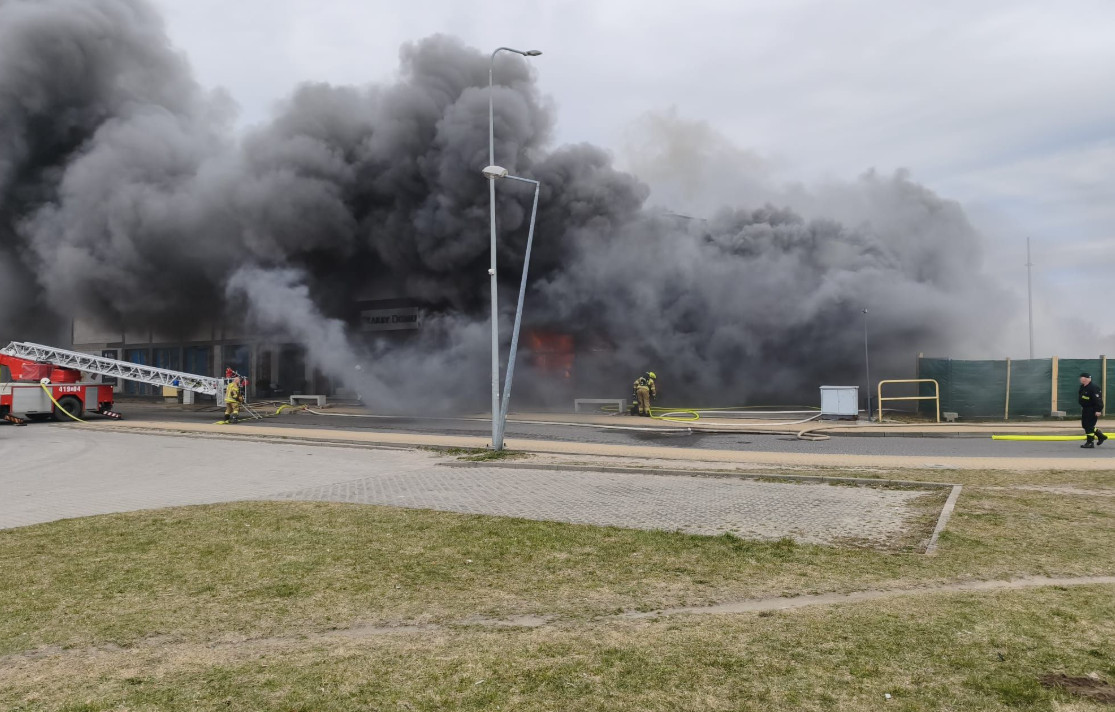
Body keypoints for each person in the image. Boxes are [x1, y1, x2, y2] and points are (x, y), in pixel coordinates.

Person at [1078, 372, 1106, 448]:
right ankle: (1101, 436)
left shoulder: (1093, 387)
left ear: (1086, 379)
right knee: (1085, 425)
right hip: (1085, 409)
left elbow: (1098, 400)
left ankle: (1090, 442)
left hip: (1092, 409)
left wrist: (1098, 410)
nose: (1080, 379)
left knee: (1089, 426)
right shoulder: (1083, 387)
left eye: (1082, 377)